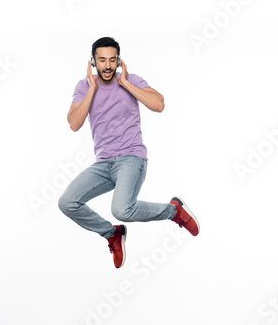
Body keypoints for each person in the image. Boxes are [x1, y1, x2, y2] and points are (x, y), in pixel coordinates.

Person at [58, 37, 199, 269]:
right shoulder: (84, 86)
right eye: (101, 60)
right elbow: (74, 123)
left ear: (118, 61)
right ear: (93, 62)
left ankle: (174, 211)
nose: (107, 65)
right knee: (67, 202)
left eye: (112, 60)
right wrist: (92, 89)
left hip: (131, 158)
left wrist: (125, 84)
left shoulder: (131, 80)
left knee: (122, 209)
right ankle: (111, 233)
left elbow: (158, 105)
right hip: (103, 163)